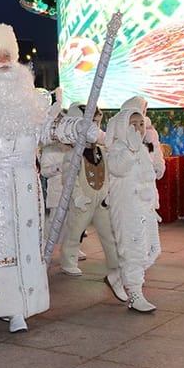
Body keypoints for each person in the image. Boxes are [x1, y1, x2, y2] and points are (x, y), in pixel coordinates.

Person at [0, 22, 99, 333]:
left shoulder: (29, 98)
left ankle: (25, 305)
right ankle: (7, 307)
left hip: (27, 185)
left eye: (6, 54)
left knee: (24, 246)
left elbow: (48, 129)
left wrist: (78, 129)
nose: (2, 60)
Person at [105, 97, 165, 311]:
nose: (139, 128)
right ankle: (135, 294)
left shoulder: (141, 148)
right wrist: (130, 149)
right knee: (133, 250)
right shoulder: (117, 148)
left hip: (145, 209)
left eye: (141, 124)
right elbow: (118, 168)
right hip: (127, 208)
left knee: (152, 249)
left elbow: (148, 179)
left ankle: (120, 277)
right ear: (123, 127)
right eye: (134, 124)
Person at [57, 104, 119, 282]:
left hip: (100, 198)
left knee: (108, 231)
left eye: (98, 123)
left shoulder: (101, 150)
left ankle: (115, 261)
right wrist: (77, 196)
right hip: (82, 200)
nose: (96, 128)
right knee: (75, 231)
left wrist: (107, 192)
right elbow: (69, 178)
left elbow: (107, 173)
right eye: (92, 123)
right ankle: (68, 260)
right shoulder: (73, 154)